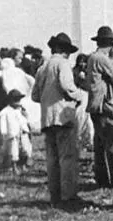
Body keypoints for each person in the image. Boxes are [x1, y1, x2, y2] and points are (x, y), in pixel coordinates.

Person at [32, 32, 86, 206]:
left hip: (47, 118)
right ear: (63, 50)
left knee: (52, 159)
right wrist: (81, 96)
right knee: (67, 157)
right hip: (63, 116)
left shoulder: (43, 66)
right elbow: (67, 86)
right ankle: (68, 195)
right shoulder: (62, 64)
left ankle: (55, 195)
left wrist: (48, 99)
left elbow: (34, 95)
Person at [85, 26, 113, 189]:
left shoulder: (92, 58)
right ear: (110, 44)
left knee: (100, 145)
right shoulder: (101, 58)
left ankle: (102, 178)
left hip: (95, 105)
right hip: (104, 105)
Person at [0, 89, 32, 174]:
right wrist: (4, 133)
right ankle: (14, 167)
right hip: (12, 134)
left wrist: (27, 128)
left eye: (18, 100)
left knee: (25, 149)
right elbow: (3, 124)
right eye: (15, 100)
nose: (17, 102)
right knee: (13, 151)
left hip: (23, 133)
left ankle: (23, 165)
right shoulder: (5, 112)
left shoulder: (21, 110)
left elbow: (25, 121)